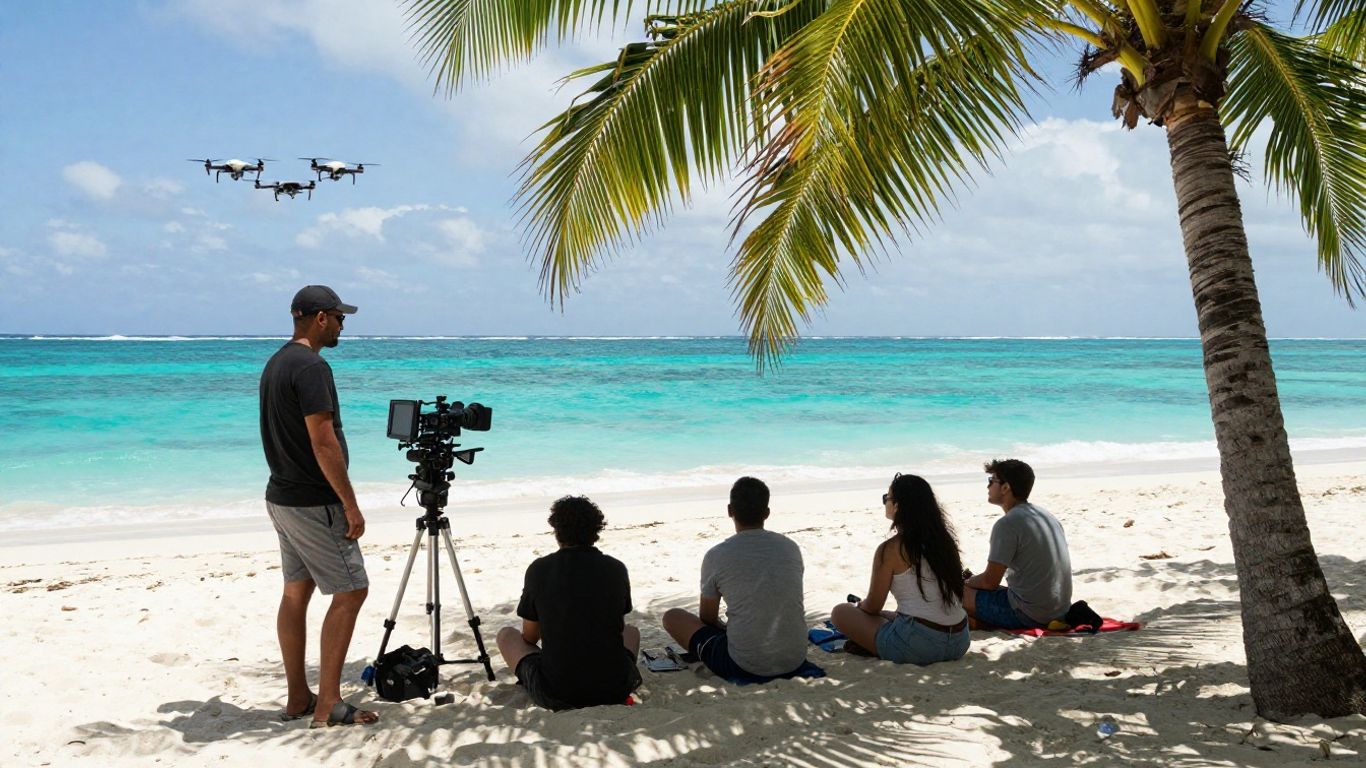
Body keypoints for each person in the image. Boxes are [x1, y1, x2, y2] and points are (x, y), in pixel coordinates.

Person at [259, 284, 378, 728]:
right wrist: (350, 504)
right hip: (313, 501)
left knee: (297, 590)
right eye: (340, 318)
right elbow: (322, 439)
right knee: (351, 591)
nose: (344, 325)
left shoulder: (276, 362)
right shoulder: (311, 367)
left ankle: (298, 696)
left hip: (282, 497)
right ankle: (327, 703)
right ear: (321, 317)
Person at [497, 495, 642, 710]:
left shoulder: (540, 569)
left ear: (557, 531)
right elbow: (616, 627)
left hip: (557, 692)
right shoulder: (615, 568)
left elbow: (530, 636)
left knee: (506, 635)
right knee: (632, 631)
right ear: (596, 531)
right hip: (614, 688)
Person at [662, 477, 808, 682]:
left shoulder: (717, 555)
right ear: (766, 513)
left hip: (746, 664)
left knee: (672, 617)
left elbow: (708, 618)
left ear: (730, 510)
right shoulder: (790, 547)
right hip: (795, 657)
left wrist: (725, 628)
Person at [830, 473, 970, 664]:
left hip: (920, 646)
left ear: (897, 506)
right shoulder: (945, 542)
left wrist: (861, 606)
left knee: (840, 612)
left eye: (886, 498)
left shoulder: (890, 549)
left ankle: (878, 646)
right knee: (889, 615)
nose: (885, 502)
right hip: (960, 640)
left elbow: (873, 606)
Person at [963, 458, 1073, 630]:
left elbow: (989, 582)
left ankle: (980, 623)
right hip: (1059, 610)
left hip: (1031, 614)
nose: (988, 486)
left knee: (954, 593)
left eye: (991, 481)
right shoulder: (1046, 516)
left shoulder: (1007, 524)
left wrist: (966, 582)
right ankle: (982, 621)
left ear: (1006, 487)